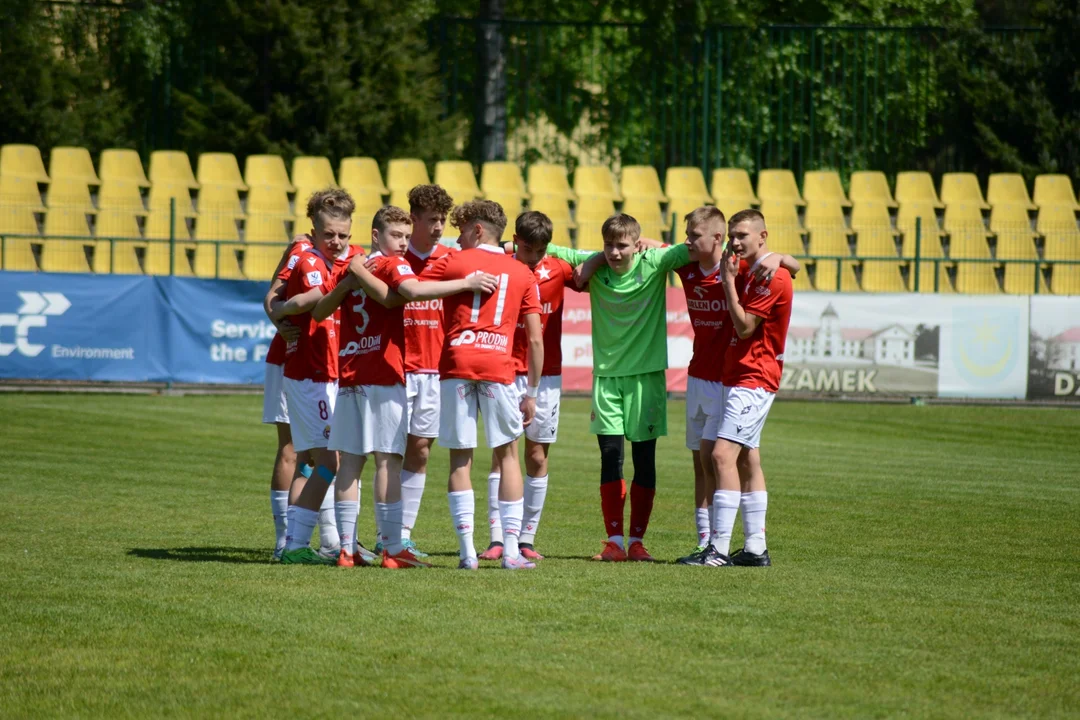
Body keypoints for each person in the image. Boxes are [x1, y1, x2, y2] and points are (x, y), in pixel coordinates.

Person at [308, 206, 498, 568]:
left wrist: (353, 278)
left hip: (350, 373)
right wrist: (466, 283)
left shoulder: (357, 265)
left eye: (407, 237)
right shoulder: (391, 265)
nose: (404, 243)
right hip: (383, 373)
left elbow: (318, 314)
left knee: (350, 461)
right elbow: (410, 290)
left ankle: (347, 549)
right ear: (377, 236)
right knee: (388, 461)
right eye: (397, 236)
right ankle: (393, 548)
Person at [545, 214, 692, 562]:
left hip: (647, 379)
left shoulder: (653, 263)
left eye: (622, 244)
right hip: (607, 379)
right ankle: (614, 541)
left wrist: (653, 244)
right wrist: (594, 258)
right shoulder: (596, 266)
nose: (614, 251)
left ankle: (638, 542)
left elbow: (694, 248)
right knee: (610, 456)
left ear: (636, 244)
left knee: (644, 460)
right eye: (609, 244)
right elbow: (548, 248)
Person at [673, 207, 799, 561]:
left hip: (755, 377)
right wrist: (781, 258)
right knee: (747, 461)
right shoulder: (750, 269)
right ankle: (756, 549)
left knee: (720, 455)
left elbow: (745, 327)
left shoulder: (770, 278)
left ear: (763, 236)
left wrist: (729, 282)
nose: (736, 242)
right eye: (733, 235)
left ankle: (718, 549)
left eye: (743, 235)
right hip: (735, 375)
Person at [424, 200, 544, 570]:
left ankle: (466, 554)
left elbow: (410, 289)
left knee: (461, 458)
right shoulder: (523, 273)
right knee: (508, 456)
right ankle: (510, 552)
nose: (457, 239)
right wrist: (532, 393)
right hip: (498, 368)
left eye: (461, 230)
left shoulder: (452, 263)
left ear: (477, 230)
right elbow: (535, 340)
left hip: (456, 364)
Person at [266, 188, 364, 565]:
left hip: (331, 372)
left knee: (311, 460)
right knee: (327, 460)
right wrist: (283, 312)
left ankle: (302, 543)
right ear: (314, 230)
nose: (337, 242)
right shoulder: (307, 259)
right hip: (312, 373)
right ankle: (296, 544)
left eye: (343, 235)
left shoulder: (350, 258)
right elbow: (307, 304)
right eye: (329, 235)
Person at [479, 211, 576, 562]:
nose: (534, 257)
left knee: (536, 455)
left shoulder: (559, 269)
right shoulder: (500, 264)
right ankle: (497, 537)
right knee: (502, 453)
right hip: (504, 368)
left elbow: (592, 268)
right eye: (527, 248)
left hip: (546, 375)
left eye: (541, 250)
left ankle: (525, 538)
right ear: (516, 241)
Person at [389, 184, 458, 556]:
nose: (437, 227)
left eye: (442, 220)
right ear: (413, 218)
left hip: (433, 370)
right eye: (431, 219)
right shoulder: (390, 256)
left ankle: (403, 533)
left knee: (421, 449)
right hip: (395, 368)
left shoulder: (452, 258)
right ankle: (371, 532)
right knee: (385, 451)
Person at [260, 235, 312, 560]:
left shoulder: (347, 254)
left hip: (327, 365)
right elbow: (271, 298)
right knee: (292, 448)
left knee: (325, 453)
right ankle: (284, 540)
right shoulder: (302, 249)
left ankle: (317, 538)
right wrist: (279, 322)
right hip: (290, 357)